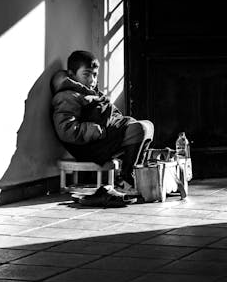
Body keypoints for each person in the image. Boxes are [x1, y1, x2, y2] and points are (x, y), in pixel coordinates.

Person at [50, 50, 153, 186]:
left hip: (105, 136)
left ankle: (137, 173)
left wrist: (122, 122)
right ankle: (126, 177)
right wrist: (97, 131)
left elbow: (112, 114)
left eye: (94, 75)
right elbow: (66, 130)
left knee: (147, 126)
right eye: (86, 74)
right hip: (91, 145)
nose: (92, 80)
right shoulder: (67, 96)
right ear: (72, 74)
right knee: (139, 129)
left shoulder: (91, 92)